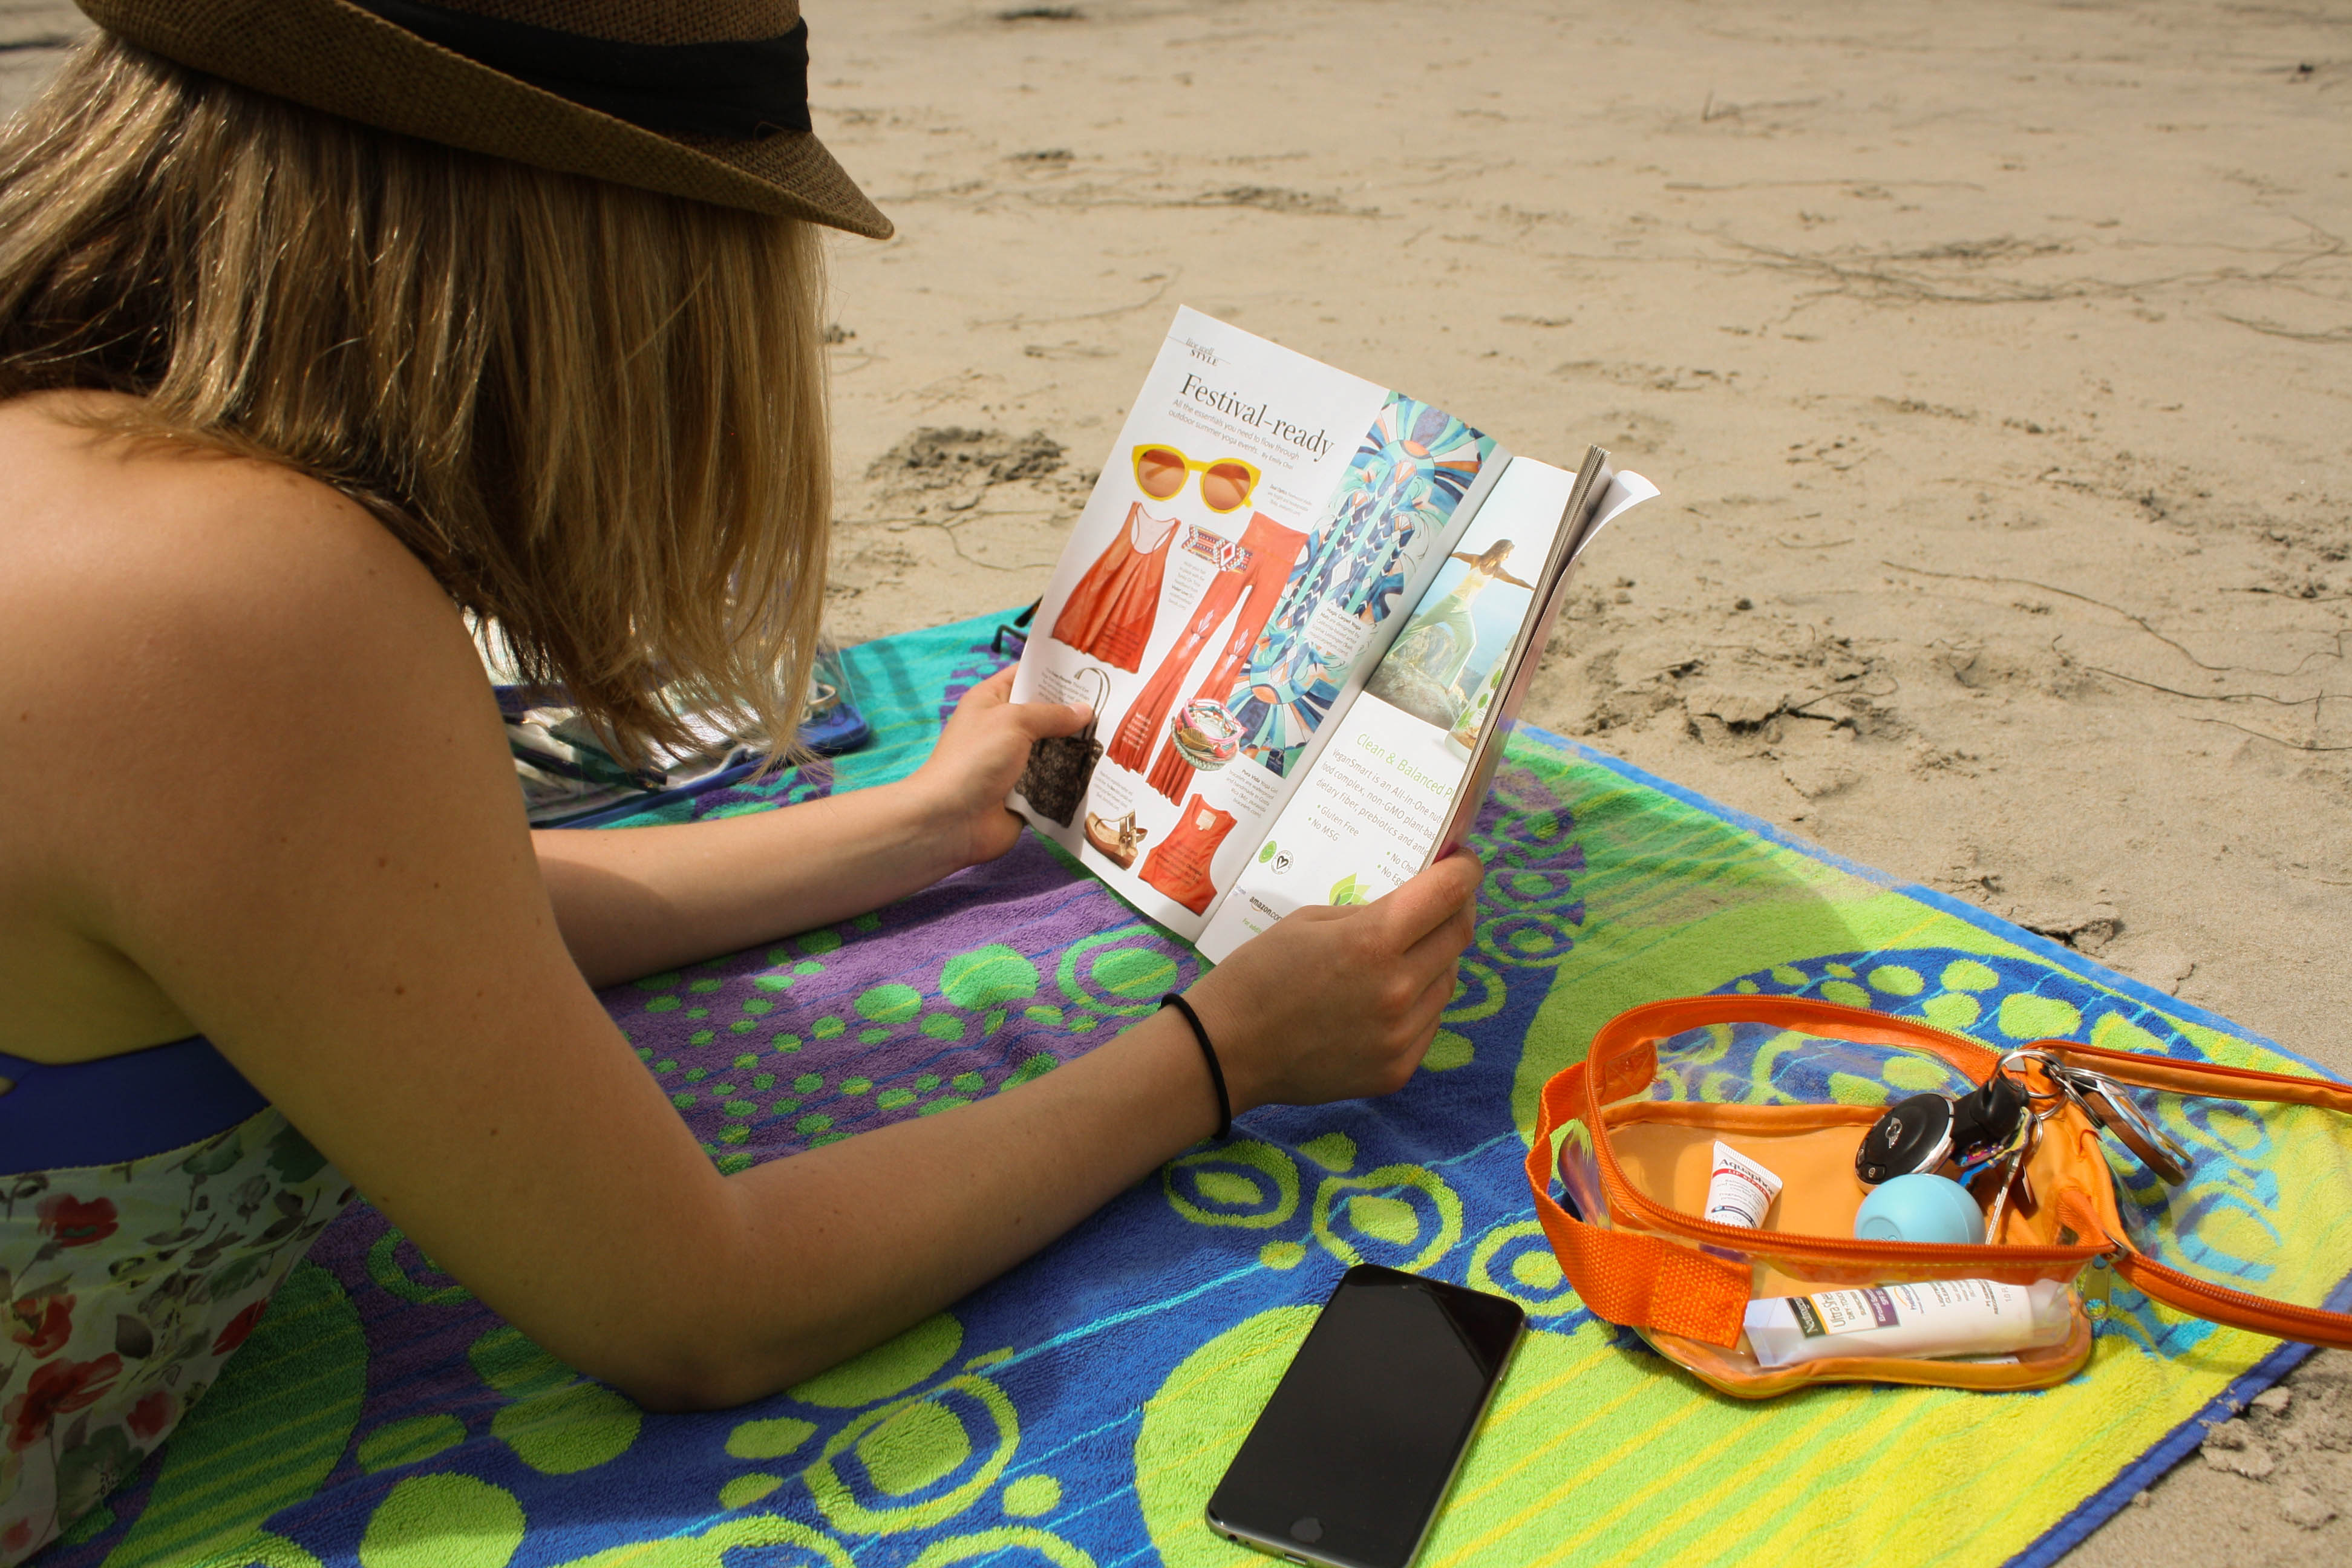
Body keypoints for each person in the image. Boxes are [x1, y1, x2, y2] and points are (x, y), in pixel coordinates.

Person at [0, 4, 1483, 1558]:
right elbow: (698, 1304)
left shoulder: (99, 467)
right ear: (604, 258)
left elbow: (413, 934)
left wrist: (906, 828)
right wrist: (1222, 1054)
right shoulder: (247, 598)